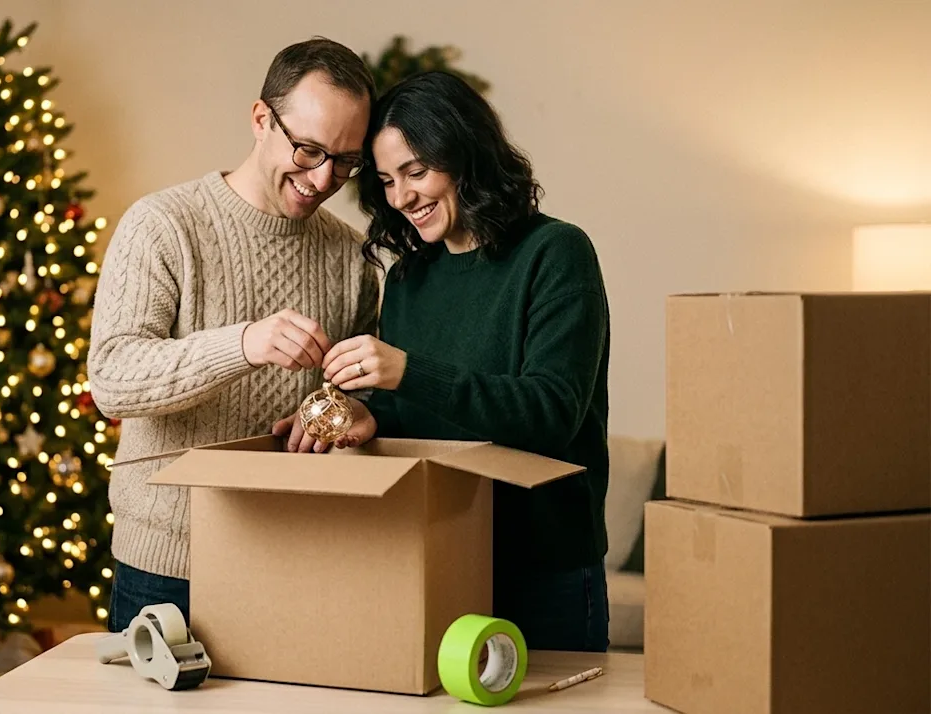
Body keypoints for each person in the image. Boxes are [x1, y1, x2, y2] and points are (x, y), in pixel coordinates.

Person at [273, 71, 612, 652]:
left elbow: (552, 412)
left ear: (466, 156)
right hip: (438, 551)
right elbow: (421, 419)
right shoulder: (408, 278)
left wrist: (406, 371)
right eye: (386, 180)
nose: (402, 197)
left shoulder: (556, 253)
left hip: (546, 566)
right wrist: (368, 415)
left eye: (416, 171)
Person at [88, 37, 381, 633]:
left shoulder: (354, 257)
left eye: (346, 162)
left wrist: (339, 408)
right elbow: (112, 378)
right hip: (167, 566)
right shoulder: (163, 224)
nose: (324, 178)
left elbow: (361, 395)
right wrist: (242, 344)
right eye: (308, 150)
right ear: (259, 119)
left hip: (300, 557)